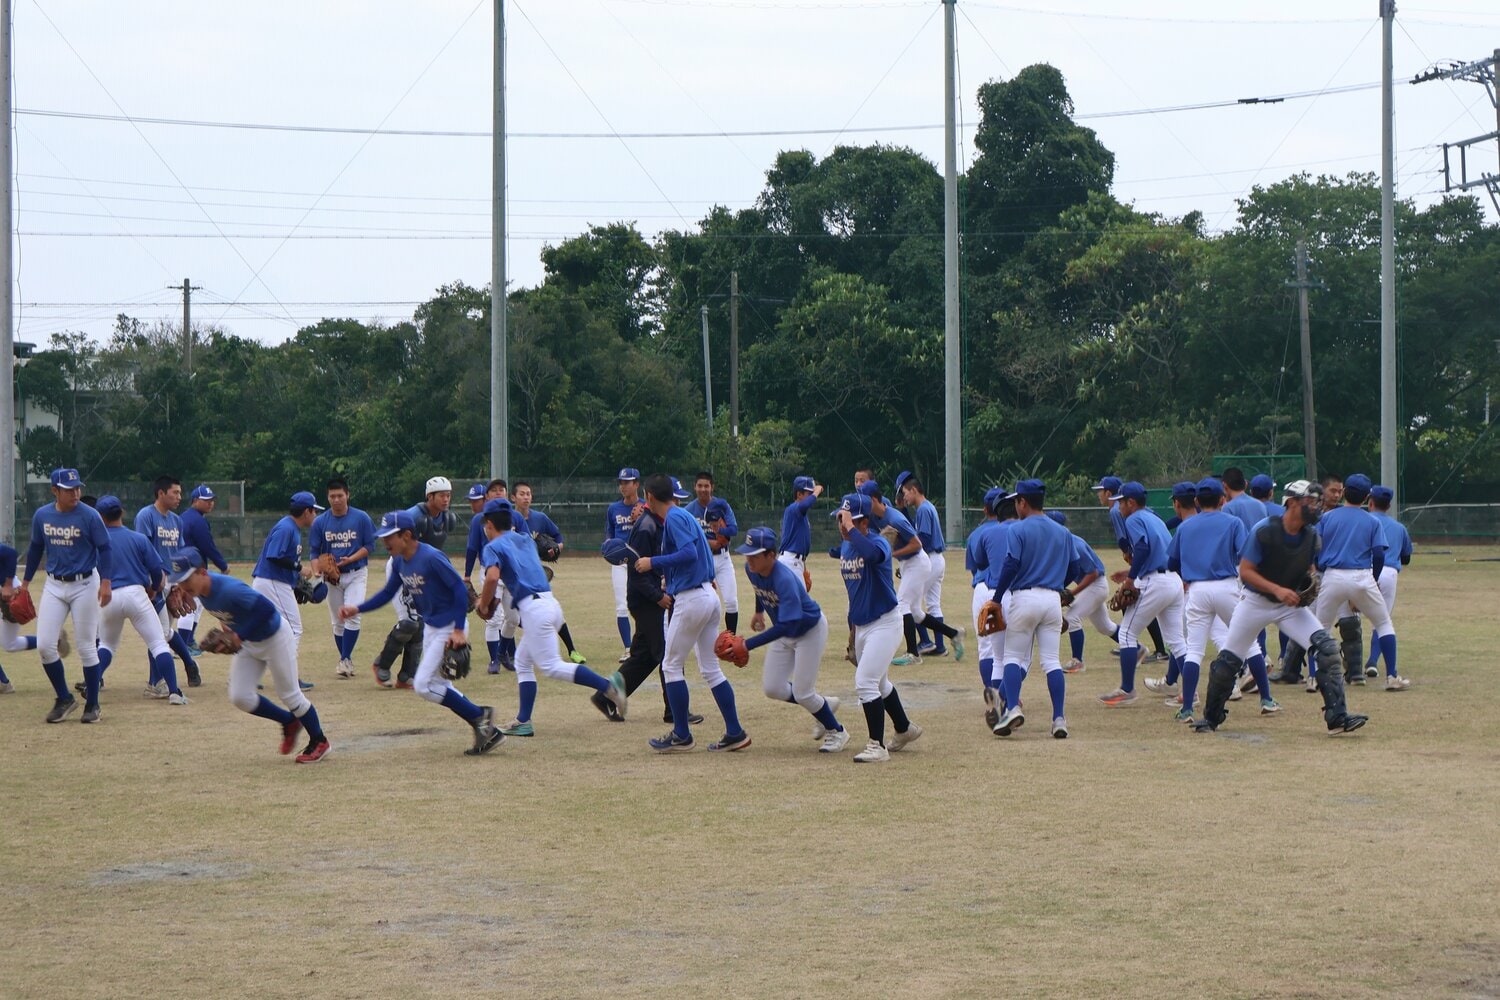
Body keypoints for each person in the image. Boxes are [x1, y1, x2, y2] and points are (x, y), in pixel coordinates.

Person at [1192, 480, 1367, 735]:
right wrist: (1277, 589)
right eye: (1310, 501)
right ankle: (1210, 718)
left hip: (1288, 605)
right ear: (1292, 503)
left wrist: (1309, 580)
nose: (1316, 506)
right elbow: (1246, 571)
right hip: (1255, 602)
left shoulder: (1311, 536)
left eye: (1317, 501)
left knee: (1327, 649)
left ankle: (1337, 717)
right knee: (1229, 661)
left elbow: (1307, 567)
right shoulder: (1265, 531)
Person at [343, 511, 504, 755]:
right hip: (431, 626)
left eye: (389, 536)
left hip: (450, 627)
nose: (384, 541)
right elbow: (387, 593)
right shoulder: (399, 562)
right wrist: (357, 608)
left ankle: (480, 716)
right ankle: (488, 730)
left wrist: (459, 629)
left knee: (423, 686)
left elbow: (459, 591)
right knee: (442, 686)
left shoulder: (431, 557)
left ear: (406, 535)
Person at [474, 499, 627, 736]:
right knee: (523, 661)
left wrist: (482, 604)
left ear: (489, 524)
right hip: (550, 605)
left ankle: (608, 685)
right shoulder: (525, 539)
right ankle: (523, 721)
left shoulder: (492, 546)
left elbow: (493, 577)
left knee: (552, 666)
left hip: (534, 610)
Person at [168, 547, 331, 761]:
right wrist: (230, 630)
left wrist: (238, 636)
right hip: (250, 642)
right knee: (240, 696)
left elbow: (267, 610)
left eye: (186, 580)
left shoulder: (229, 589)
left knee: (290, 695)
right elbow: (229, 613)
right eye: (179, 582)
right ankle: (289, 721)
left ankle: (320, 741)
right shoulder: (200, 590)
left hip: (275, 638)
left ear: (202, 572)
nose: (183, 586)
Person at [635, 473, 750, 753]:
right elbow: (699, 555)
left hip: (693, 599)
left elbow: (688, 553)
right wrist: (671, 578)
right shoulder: (684, 515)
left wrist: (653, 562)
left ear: (649, 497)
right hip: (706, 594)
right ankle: (735, 732)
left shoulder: (674, 518)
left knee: (671, 666)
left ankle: (682, 735)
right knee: (710, 668)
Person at [735, 526, 848, 752]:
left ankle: (837, 731)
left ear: (771, 555)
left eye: (754, 555)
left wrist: (748, 645)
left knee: (803, 692)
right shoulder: (751, 569)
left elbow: (788, 625)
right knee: (773, 687)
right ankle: (823, 704)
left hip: (809, 630)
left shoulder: (784, 579)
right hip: (785, 630)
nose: (749, 559)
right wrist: (759, 611)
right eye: (747, 554)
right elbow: (759, 588)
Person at [832, 492, 922, 762]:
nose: (841, 524)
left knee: (865, 682)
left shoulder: (878, 543)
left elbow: (872, 555)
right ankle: (904, 728)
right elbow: (854, 593)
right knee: (880, 683)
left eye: (847, 520)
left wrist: (851, 529)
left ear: (863, 522)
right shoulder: (848, 546)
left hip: (885, 623)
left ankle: (877, 746)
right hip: (863, 626)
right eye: (840, 519)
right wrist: (852, 631)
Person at [598, 493, 701, 725]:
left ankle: (605, 697)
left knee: (644, 656)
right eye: (674, 500)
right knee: (668, 652)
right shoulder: (647, 527)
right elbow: (637, 571)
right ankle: (675, 711)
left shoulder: (659, 523)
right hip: (647, 602)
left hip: (648, 600)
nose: (677, 505)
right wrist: (658, 597)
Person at [1164, 478, 1261, 724]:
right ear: (1222, 499)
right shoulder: (1233, 522)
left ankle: (1187, 708)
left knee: (1194, 650)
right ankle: (1267, 699)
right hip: (1227, 586)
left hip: (1197, 590)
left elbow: (1171, 563)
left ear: (1196, 501)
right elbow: (1245, 553)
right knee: (1249, 642)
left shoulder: (1186, 526)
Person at [984, 480, 1075, 739]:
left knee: (1013, 657)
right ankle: (1059, 719)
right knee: (1052, 661)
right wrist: (1058, 585)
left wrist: (997, 598)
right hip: (1052, 600)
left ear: (1023, 502)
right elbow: (1075, 568)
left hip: (1025, 597)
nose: (1015, 505)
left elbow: (1011, 565)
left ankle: (1013, 708)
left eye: (1016, 501)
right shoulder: (1062, 532)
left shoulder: (1018, 529)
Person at [21, 469, 112, 723]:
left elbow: (105, 548)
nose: (76, 493)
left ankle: (92, 705)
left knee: (86, 646)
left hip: (85, 583)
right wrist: (25, 583)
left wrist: (106, 582)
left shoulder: (90, 515)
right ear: (54, 490)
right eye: (69, 489)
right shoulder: (42, 515)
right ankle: (64, 698)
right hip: (54, 584)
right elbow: (36, 548)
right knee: (44, 645)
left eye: (77, 488)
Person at [1098, 481, 1187, 707]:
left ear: (1131, 502)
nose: (1118, 507)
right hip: (1173, 581)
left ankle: (1127, 689)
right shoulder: (1153, 518)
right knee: (1177, 641)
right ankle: (1190, 693)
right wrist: (1131, 572)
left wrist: (1131, 579)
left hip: (1155, 582)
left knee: (1127, 634)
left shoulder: (1134, 519)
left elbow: (1143, 548)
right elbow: (1157, 552)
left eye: (1121, 502)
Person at [95, 496, 188, 706]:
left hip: (109, 596)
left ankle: (92, 684)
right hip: (136, 593)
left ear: (100, 517)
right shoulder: (138, 538)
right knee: (158, 643)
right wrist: (154, 589)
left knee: (107, 645)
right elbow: (156, 570)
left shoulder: (97, 542)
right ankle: (174, 692)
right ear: (122, 512)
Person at [1313, 473, 1402, 689]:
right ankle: (1392, 676)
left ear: (1344, 492)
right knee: (1383, 623)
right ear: (1367, 497)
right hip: (1361, 575)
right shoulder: (1372, 521)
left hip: (1333, 575)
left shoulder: (1327, 518)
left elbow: (1314, 547)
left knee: (1320, 628)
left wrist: (1320, 567)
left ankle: (1314, 678)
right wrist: (1374, 578)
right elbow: (1379, 554)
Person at [134, 475, 202, 688]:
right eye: (175, 492)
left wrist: (182, 585)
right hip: (153, 582)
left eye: (180, 493)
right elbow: (142, 549)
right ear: (161, 493)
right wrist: (151, 582)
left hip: (172, 583)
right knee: (159, 633)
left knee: (161, 632)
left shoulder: (177, 520)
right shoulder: (146, 516)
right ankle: (167, 675)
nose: (179, 497)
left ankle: (172, 673)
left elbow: (179, 554)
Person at [1092, 474, 1168, 662]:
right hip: (1166, 571)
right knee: (1176, 637)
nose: (1099, 495)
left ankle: (1133, 648)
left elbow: (1130, 542)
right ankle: (1155, 650)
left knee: (1132, 606)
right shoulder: (1149, 514)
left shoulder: (1120, 513)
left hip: (1153, 574)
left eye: (1101, 491)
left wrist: (1130, 571)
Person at [894, 471, 965, 661]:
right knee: (931, 605)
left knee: (908, 604)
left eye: (905, 493)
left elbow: (922, 539)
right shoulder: (926, 507)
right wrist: (903, 511)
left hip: (929, 560)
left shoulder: (923, 509)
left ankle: (924, 643)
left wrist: (909, 559)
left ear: (914, 490)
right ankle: (942, 644)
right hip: (936, 559)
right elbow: (915, 532)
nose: (904, 497)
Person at [309, 476, 376, 679]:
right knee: (338, 621)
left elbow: (369, 546)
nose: (336, 500)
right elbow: (314, 551)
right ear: (327, 497)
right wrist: (317, 573)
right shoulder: (320, 522)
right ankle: (345, 660)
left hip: (356, 573)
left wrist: (351, 559)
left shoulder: (361, 518)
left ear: (348, 495)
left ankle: (345, 658)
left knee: (352, 615)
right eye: (332, 496)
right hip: (332, 578)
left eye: (340, 495)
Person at [513, 481, 586, 664]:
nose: (526, 497)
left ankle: (572, 651)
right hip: (514, 574)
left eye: (528, 494)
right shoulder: (509, 520)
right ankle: (506, 654)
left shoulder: (540, 518)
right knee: (512, 617)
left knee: (553, 610)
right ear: (513, 497)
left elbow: (558, 537)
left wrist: (556, 548)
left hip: (535, 573)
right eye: (522, 494)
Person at [251, 491, 324, 669]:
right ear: (306, 512)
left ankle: (244, 674)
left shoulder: (292, 528)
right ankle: (289, 676)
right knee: (293, 629)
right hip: (273, 582)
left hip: (273, 582)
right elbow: (274, 555)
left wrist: (296, 579)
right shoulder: (286, 528)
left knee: (264, 631)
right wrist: (299, 568)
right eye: (314, 510)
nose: (315, 514)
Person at [860, 481, 928, 666]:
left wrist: (892, 553)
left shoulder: (895, 519)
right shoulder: (873, 516)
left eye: (864, 500)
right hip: (907, 563)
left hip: (918, 561)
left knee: (902, 604)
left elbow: (917, 544)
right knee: (915, 611)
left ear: (874, 500)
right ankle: (953, 634)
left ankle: (913, 654)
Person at [1053, 510, 1117, 678]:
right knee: (1105, 627)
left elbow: (1093, 573)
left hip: (1096, 585)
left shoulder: (1076, 544)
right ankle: (1137, 648)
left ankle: (1077, 661)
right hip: (1092, 587)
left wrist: (1072, 592)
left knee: (1072, 617)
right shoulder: (1062, 543)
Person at [464, 480, 516, 674]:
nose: (497, 493)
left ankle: (505, 654)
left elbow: (525, 539)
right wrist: (467, 575)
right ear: (488, 496)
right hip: (490, 570)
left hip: (511, 573)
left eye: (501, 489)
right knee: (494, 618)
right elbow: (471, 548)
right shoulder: (479, 520)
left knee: (512, 618)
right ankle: (494, 660)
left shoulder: (514, 517)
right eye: (493, 490)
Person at [967, 488, 1008, 727]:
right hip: (1009, 591)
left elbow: (976, 567)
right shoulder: (1016, 528)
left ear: (985, 509)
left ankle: (992, 695)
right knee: (1011, 651)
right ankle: (1007, 694)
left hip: (983, 588)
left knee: (986, 649)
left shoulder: (977, 534)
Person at [1364, 485, 1412, 687]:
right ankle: (1372, 661)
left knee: (1350, 618)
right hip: (1389, 573)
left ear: (1370, 502)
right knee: (1382, 620)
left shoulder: (1364, 521)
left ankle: (1353, 664)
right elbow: (1406, 558)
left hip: (1362, 570)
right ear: (1389, 506)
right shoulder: (1399, 527)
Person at [177, 484, 229, 663]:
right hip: (190, 568)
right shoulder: (197, 520)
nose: (210, 503)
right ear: (195, 501)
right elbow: (207, 546)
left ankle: (188, 640)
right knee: (190, 607)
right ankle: (183, 644)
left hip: (184, 566)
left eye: (212, 500)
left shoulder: (185, 517)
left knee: (196, 606)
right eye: (206, 500)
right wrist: (222, 565)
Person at [685, 471, 740, 635]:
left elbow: (734, 530)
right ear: (695, 487)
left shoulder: (722, 505)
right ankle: (702, 638)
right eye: (700, 486)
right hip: (701, 559)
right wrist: (709, 543)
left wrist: (719, 531)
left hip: (723, 558)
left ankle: (730, 640)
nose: (703, 489)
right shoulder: (689, 510)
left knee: (731, 601)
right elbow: (686, 538)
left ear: (712, 487)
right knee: (703, 603)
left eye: (706, 486)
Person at [605, 468, 644, 657]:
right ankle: (628, 649)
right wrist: (607, 546)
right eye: (621, 482)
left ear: (636, 484)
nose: (623, 486)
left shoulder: (646, 507)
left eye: (627, 482)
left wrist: (640, 520)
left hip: (641, 561)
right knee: (622, 605)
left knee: (642, 604)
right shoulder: (613, 509)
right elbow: (609, 534)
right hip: (620, 563)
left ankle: (643, 644)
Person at [0, 542, 41, 694]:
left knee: (10, 644)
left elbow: (11, 553)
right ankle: (3, 683)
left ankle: (50, 641)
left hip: (7, 592)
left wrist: (8, 584)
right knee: (9, 644)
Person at [777, 475, 824, 584]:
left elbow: (800, 544)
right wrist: (816, 492)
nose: (812, 496)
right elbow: (806, 505)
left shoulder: (800, 514)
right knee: (799, 595)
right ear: (799, 494)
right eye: (809, 493)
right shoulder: (794, 508)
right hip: (790, 561)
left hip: (795, 561)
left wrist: (803, 568)